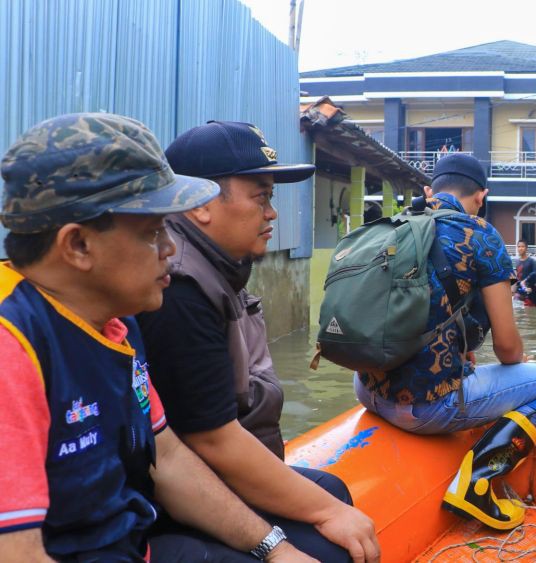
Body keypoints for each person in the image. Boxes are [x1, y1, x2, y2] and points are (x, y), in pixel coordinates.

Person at [0, 113, 316, 562]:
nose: (169, 249)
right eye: (152, 233)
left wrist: (273, 548)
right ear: (78, 246)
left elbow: (167, 459)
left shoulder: (116, 320)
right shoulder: (13, 347)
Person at [136, 121, 378, 563]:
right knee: (331, 541)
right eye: (261, 196)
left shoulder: (221, 268)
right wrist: (284, 539)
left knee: (333, 491)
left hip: (214, 470)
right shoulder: (179, 290)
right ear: (201, 204)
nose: (273, 213)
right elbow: (209, 441)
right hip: (182, 496)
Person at [354, 153, 536, 530]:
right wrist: (521, 360)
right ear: (481, 196)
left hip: (367, 390)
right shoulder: (480, 234)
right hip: (425, 410)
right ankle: (477, 483)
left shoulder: (395, 225)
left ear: (429, 190)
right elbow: (507, 349)